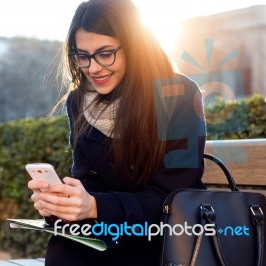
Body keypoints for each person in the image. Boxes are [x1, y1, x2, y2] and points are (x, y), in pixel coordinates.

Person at [28, 0, 206, 265]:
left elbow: (174, 197)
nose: (94, 68)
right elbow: (88, 180)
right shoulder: (79, 100)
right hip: (110, 232)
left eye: (105, 53)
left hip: (166, 235)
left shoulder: (178, 95)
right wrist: (64, 204)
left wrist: (96, 207)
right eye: (83, 56)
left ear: (134, 47)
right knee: (64, 251)